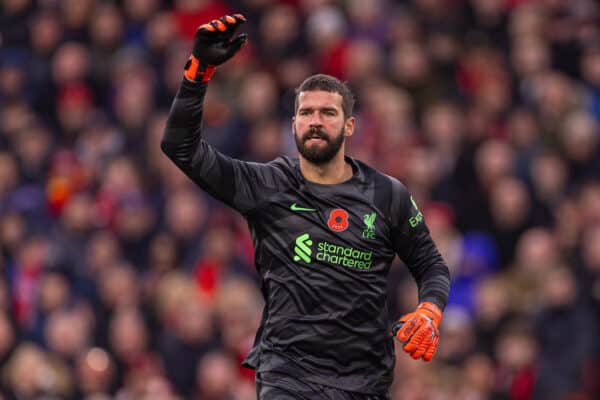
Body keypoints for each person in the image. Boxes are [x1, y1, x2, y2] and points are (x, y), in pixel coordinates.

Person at [161, 14, 451, 399]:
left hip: (364, 381)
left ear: (349, 126)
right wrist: (198, 73)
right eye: (306, 113)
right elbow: (180, 147)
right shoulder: (267, 185)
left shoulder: (387, 195)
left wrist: (429, 310)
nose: (316, 122)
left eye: (328, 113)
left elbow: (431, 264)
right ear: (294, 124)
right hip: (288, 377)